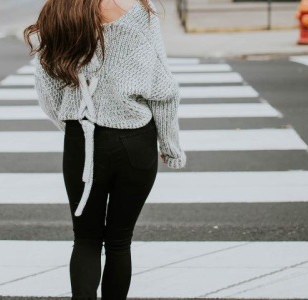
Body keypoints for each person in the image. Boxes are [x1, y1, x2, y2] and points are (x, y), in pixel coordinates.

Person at [23, 0, 186, 298]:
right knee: (119, 241)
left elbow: (46, 85)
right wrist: (170, 146)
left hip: (82, 138)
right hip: (135, 140)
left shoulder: (61, 9)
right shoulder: (140, 11)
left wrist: (72, 124)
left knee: (85, 239)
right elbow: (164, 89)